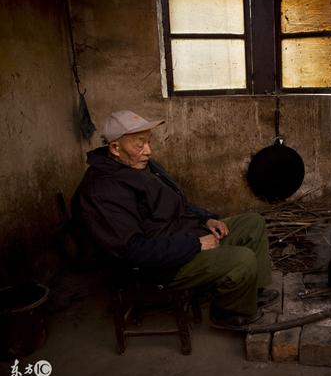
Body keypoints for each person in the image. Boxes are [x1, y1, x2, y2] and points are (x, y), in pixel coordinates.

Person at [72, 110, 277, 328]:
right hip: (161, 266)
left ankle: (252, 293)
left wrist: (206, 220)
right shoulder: (101, 191)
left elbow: (178, 203)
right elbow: (133, 251)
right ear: (114, 148)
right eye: (139, 145)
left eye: (148, 142)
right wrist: (195, 244)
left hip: (182, 235)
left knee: (252, 223)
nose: (148, 151)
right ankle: (228, 312)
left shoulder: (141, 166)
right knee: (241, 259)